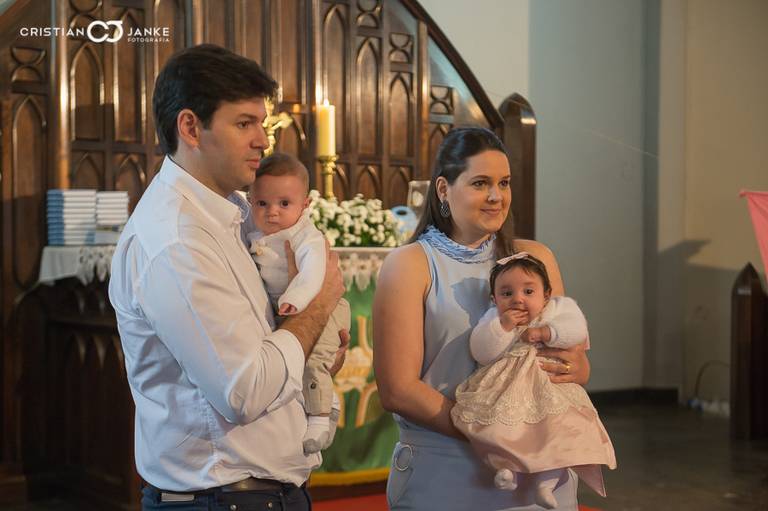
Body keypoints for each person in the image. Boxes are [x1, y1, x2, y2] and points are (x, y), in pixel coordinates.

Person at [108, 44, 347, 511]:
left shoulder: (235, 213)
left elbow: (260, 343)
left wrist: (310, 352)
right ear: (190, 127)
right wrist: (318, 307)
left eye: (262, 123)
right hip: (219, 498)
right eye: (244, 124)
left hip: (258, 492)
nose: (263, 141)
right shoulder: (177, 240)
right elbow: (244, 390)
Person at [373, 126, 591, 510]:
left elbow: (573, 361)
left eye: (504, 183)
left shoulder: (535, 258)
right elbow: (398, 389)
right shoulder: (409, 264)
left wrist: (576, 368)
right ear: (444, 189)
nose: (496, 196)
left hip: (537, 466)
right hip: (448, 466)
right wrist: (491, 432)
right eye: (480, 183)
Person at [452, 252, 616, 509]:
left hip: (548, 384)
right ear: (494, 299)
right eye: (507, 293)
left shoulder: (558, 309)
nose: (518, 299)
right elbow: (481, 351)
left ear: (546, 295)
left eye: (528, 291)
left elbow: (576, 329)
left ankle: (546, 484)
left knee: (559, 432)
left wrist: (546, 332)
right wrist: (503, 327)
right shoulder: (494, 317)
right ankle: (506, 468)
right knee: (499, 426)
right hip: (509, 385)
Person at [246, 152, 351, 454]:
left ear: (305, 205)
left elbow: (315, 271)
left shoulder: (305, 236)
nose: (272, 212)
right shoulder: (255, 232)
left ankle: (318, 418)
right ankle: (328, 401)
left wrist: (295, 299)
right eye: (262, 203)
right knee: (296, 360)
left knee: (315, 359)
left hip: (319, 304)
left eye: (284, 204)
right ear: (250, 200)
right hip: (289, 308)